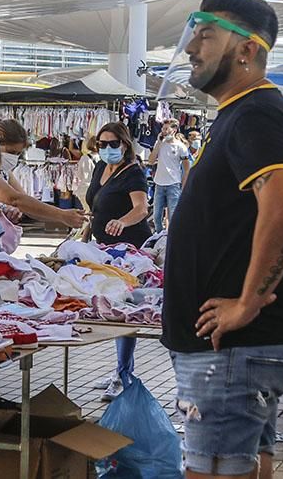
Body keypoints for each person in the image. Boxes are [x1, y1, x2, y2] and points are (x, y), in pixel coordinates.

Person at [162, 0, 283, 479]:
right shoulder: (239, 114)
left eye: (205, 34)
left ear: (246, 49)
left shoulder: (256, 112)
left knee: (214, 469)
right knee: (245, 462)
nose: (190, 47)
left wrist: (247, 301)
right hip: (233, 351)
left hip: (232, 350)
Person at [86, 122, 151, 402]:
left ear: (125, 144)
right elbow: (96, 206)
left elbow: (141, 208)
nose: (108, 149)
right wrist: (86, 230)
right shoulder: (101, 168)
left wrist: (121, 222)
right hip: (104, 250)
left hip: (130, 250)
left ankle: (124, 374)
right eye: (103, 144)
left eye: (114, 144)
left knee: (124, 309)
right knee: (111, 306)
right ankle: (120, 370)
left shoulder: (134, 174)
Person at [148, 119, 190, 231]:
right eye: (163, 128)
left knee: (173, 216)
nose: (164, 131)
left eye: (167, 129)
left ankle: (170, 238)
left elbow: (187, 168)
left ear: (174, 130)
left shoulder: (181, 147)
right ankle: (159, 236)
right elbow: (151, 161)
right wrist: (159, 143)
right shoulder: (160, 144)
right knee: (156, 216)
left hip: (173, 184)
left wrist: (184, 185)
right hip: (159, 183)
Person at [0, 119, 28, 194]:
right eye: (11, 152)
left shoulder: (5, 172)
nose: (14, 157)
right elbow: (13, 199)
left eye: (18, 154)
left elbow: (22, 196)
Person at [75, 135, 98, 213]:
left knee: (87, 212)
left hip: (84, 189)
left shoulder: (84, 158)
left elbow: (79, 174)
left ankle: (86, 225)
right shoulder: (102, 159)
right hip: (96, 189)